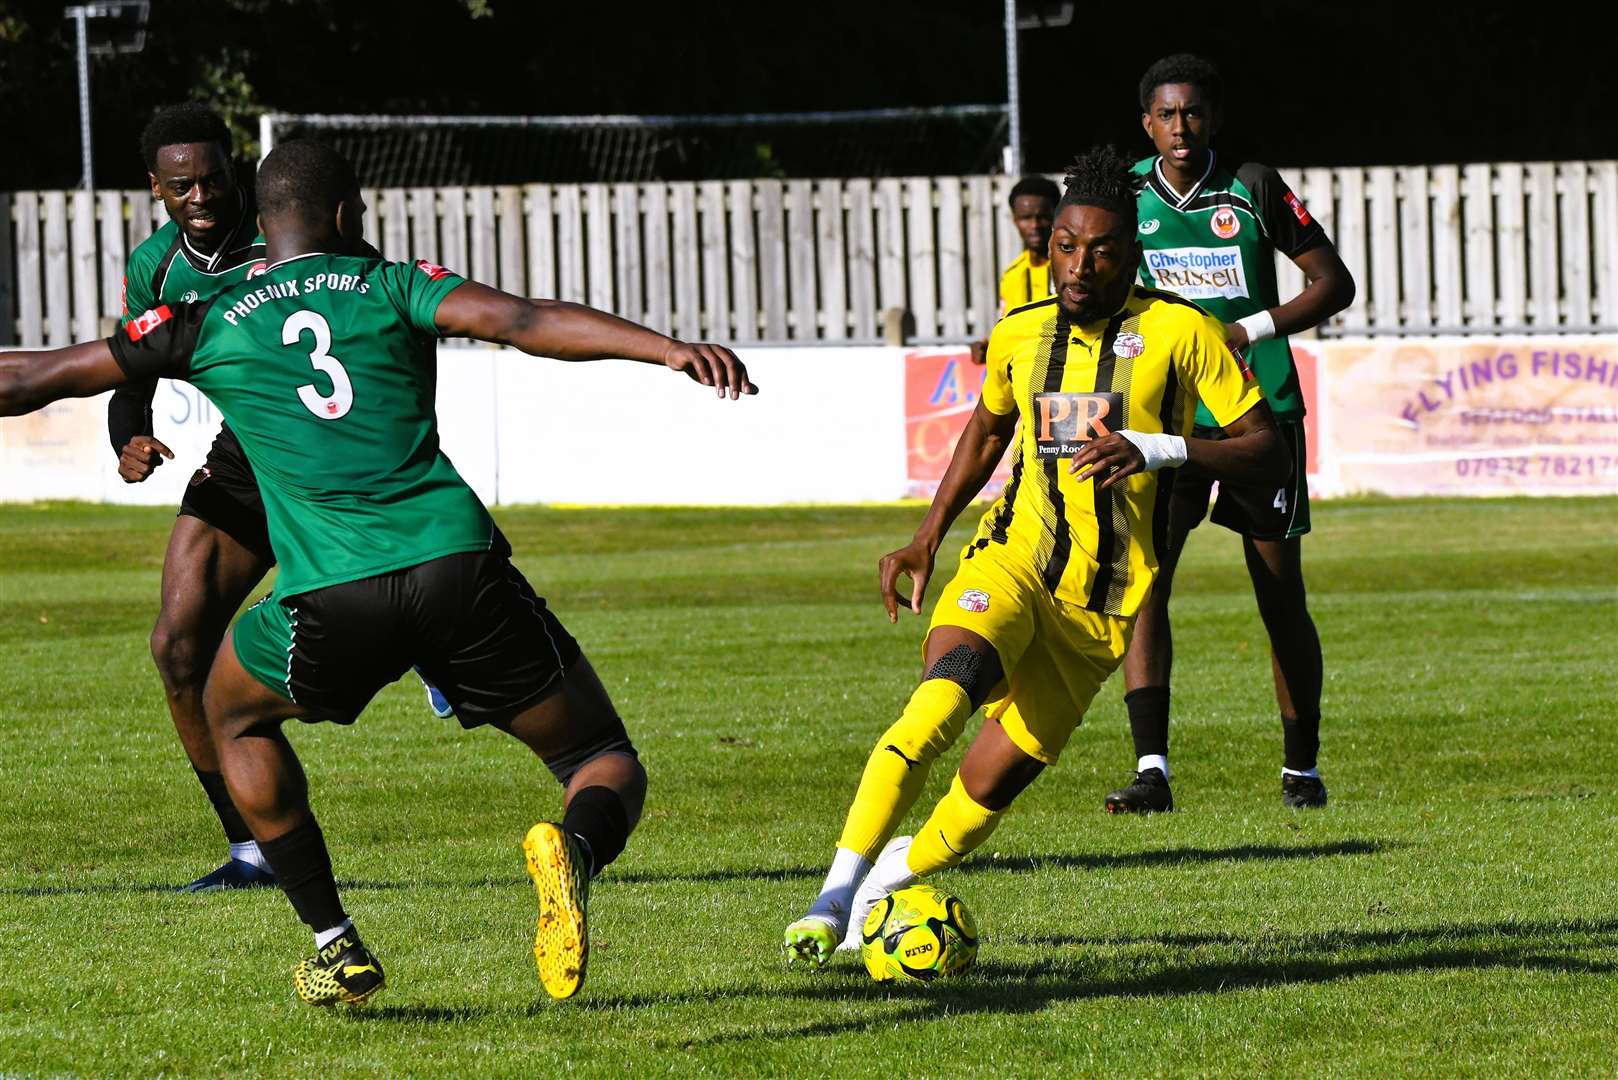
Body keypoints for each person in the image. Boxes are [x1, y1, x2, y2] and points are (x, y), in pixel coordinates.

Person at [0, 140, 758, 1005]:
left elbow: (33, 377)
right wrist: (665, 349)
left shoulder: (203, 314)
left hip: (332, 593)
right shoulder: (395, 284)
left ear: (262, 215)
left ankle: (334, 941)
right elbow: (524, 320)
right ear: (347, 213)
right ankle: (573, 852)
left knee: (229, 712)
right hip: (457, 568)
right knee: (602, 758)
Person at [782, 145, 1287, 966]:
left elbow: (1266, 449)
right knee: (937, 708)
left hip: (1100, 612)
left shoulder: (1181, 333)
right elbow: (985, 429)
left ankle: (884, 887)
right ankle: (830, 897)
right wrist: (926, 535)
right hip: (1009, 565)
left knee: (983, 796)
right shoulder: (1019, 333)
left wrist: (1158, 449)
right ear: (1047, 243)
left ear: (1131, 256)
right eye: (1064, 245)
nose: (1078, 265)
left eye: (1100, 251)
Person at [110, 105, 451, 895]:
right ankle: (252, 850)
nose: (202, 196)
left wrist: (408, 433)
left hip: (328, 447)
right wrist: (128, 435)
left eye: (216, 179)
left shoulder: (289, 227)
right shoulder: (156, 268)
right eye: (183, 185)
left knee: (379, 590)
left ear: (237, 172)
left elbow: (394, 314)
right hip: (244, 453)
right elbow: (132, 369)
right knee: (177, 644)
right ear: (155, 189)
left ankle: (438, 640)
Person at [1104, 54, 1356, 814]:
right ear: (1146, 123)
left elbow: (1333, 283)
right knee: (1146, 583)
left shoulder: (1251, 186)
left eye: (1193, 113)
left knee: (1280, 597)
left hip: (1259, 413)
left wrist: (1245, 330)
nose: (1181, 128)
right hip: (1164, 416)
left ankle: (1302, 771)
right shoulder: (1126, 193)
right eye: (1167, 115)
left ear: (1212, 117)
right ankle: (1153, 771)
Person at [968, 176, 1059, 366]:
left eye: (1042, 217)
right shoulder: (1012, 275)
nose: (1034, 226)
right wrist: (989, 346)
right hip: (1024, 375)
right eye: (1026, 218)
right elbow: (1010, 330)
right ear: (1015, 219)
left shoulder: (1075, 267)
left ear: (1057, 215)